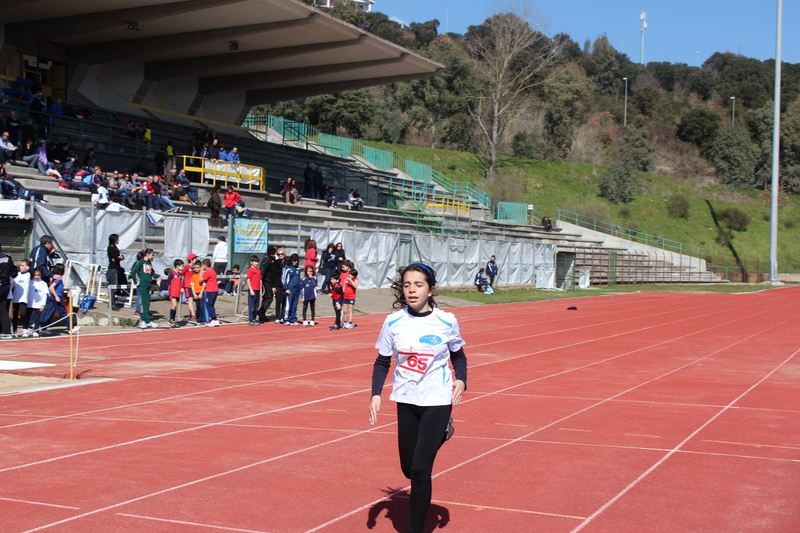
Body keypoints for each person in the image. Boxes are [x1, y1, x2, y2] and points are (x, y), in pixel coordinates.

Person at [369, 263, 467, 533]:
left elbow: (458, 355)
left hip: (437, 399)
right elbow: (382, 362)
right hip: (406, 399)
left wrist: (461, 379)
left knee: (421, 471)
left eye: (419, 284)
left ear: (430, 289)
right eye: (407, 284)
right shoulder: (393, 322)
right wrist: (376, 394)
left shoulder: (446, 321)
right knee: (407, 468)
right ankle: (444, 432)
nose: (412, 290)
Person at [130, 248, 160, 329]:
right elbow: (133, 271)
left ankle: (145, 321)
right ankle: (145, 321)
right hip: (142, 284)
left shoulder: (149, 263)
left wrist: (158, 276)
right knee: (144, 303)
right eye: (152, 255)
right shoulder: (141, 262)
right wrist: (136, 281)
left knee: (147, 303)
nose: (153, 257)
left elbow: (152, 272)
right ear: (147, 254)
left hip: (148, 284)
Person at [39, 263, 67, 337]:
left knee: (49, 313)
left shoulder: (55, 278)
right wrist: (56, 296)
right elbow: (51, 288)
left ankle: (43, 326)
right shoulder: (58, 279)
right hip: (56, 297)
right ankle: (70, 327)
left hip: (53, 297)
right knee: (63, 312)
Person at [257, 246, 279, 322]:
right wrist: (261, 278)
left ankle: (262, 314)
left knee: (266, 297)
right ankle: (261, 311)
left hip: (269, 280)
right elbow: (263, 267)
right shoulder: (267, 259)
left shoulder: (271, 259)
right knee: (269, 297)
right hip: (267, 281)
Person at [0, 245, 17, 339]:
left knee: (2, 309)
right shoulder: (7, 257)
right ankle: (6, 331)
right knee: (2, 309)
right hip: (5, 285)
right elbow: (14, 272)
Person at [11, 259, 32, 337]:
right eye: (20, 265)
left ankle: (25, 329)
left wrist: (30, 263)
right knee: (15, 315)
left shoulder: (29, 275)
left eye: (23, 265)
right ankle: (14, 330)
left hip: (23, 298)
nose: (21, 267)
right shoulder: (17, 274)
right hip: (15, 298)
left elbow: (32, 271)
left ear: (27, 267)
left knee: (23, 313)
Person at [281, 253, 301, 326]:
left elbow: (299, 279)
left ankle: (293, 318)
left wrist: (300, 288)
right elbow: (284, 279)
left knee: (294, 305)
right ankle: (286, 318)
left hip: (296, 289)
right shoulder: (287, 268)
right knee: (288, 305)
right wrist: (285, 288)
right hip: (290, 289)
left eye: (297, 261)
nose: (296, 262)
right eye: (294, 260)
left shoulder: (297, 269)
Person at [28, 267, 48, 337]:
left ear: (41, 275)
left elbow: (45, 294)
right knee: (29, 316)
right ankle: (28, 328)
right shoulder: (30, 282)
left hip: (38, 304)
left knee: (37, 318)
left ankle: (36, 330)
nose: (37, 277)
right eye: (35, 275)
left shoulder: (43, 284)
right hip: (30, 303)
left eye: (39, 275)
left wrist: (43, 304)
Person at [200, 258, 220, 327]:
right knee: (210, 305)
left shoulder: (209, 271)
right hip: (213, 290)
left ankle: (214, 319)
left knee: (209, 304)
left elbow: (200, 280)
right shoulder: (212, 271)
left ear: (205, 265)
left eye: (202, 265)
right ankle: (213, 319)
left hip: (211, 290)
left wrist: (201, 272)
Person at [106, 234, 126, 300]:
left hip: (117, 267)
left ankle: (119, 295)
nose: (118, 240)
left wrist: (120, 257)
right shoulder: (111, 248)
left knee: (119, 283)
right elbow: (116, 258)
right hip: (113, 268)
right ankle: (111, 303)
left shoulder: (115, 247)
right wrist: (118, 258)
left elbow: (119, 257)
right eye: (117, 239)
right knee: (113, 286)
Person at [181, 253, 199, 322]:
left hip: (193, 285)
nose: (196, 260)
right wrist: (182, 286)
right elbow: (182, 274)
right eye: (195, 259)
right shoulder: (187, 267)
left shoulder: (194, 267)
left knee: (192, 300)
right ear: (191, 260)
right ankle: (193, 315)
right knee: (190, 300)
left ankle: (192, 314)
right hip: (188, 285)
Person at [340, 261, 358, 329]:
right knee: (345, 310)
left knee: (350, 310)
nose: (349, 276)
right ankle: (344, 321)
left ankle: (350, 322)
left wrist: (351, 280)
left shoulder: (355, 279)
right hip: (345, 296)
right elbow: (344, 287)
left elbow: (355, 286)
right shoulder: (346, 280)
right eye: (349, 274)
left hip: (351, 296)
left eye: (351, 275)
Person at [246, 255, 262, 326]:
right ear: (251, 262)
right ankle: (251, 319)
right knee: (252, 306)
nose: (256, 263)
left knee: (256, 305)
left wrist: (261, 290)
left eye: (257, 262)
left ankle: (254, 318)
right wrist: (251, 289)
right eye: (255, 262)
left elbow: (260, 281)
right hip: (253, 290)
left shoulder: (259, 271)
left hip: (258, 290)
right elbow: (248, 279)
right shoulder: (250, 270)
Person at [168, 259, 184, 327]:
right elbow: (168, 282)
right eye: (182, 266)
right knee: (174, 305)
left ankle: (173, 320)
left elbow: (180, 282)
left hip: (178, 292)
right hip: (173, 292)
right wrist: (169, 290)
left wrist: (181, 288)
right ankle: (171, 319)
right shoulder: (172, 273)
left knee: (175, 306)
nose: (183, 268)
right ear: (177, 266)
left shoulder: (179, 274)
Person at [190, 260, 206, 326]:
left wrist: (201, 293)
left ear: (200, 268)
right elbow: (192, 285)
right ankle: (199, 320)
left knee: (202, 307)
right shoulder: (193, 276)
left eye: (197, 268)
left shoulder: (202, 275)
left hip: (201, 292)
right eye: (195, 267)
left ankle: (203, 320)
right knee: (198, 307)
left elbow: (204, 285)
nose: (196, 269)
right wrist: (194, 294)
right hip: (196, 293)